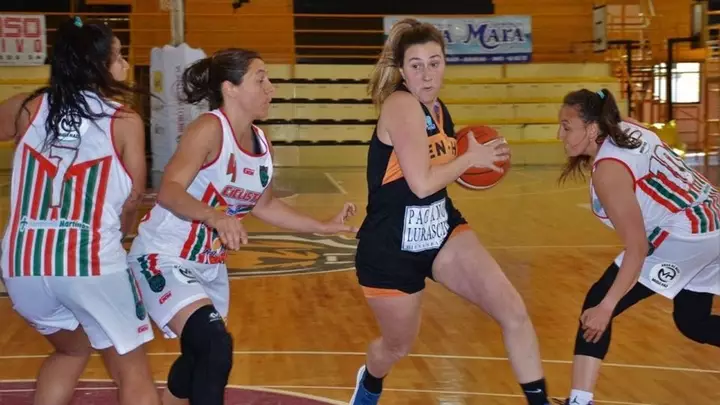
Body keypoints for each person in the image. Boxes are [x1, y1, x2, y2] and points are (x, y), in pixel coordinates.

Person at [126, 48, 358, 405]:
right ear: (230, 88)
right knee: (215, 347)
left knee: (199, 355)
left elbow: (265, 205)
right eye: (260, 79)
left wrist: (323, 226)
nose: (271, 88)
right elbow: (169, 190)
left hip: (209, 266)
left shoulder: (262, 143)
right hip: (164, 255)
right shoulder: (208, 129)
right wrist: (214, 215)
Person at [349, 18, 553, 405]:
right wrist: (470, 160)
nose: (427, 74)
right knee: (396, 347)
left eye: (435, 62)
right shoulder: (401, 105)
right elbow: (421, 184)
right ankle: (371, 382)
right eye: (416, 65)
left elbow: (441, 176)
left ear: (445, 63)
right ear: (401, 70)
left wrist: (482, 165)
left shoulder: (439, 110)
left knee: (513, 310)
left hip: (441, 231)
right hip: (391, 248)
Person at [0, 17, 159, 405]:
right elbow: (132, 200)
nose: (124, 64)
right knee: (133, 372)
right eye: (118, 56)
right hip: (88, 261)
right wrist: (120, 236)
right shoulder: (124, 120)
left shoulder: (26, 107)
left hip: (23, 265)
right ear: (97, 64)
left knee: (71, 350)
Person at [555, 88, 720, 405]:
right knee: (693, 322)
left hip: (691, 233)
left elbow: (638, 248)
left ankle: (580, 400)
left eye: (566, 126)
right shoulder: (625, 126)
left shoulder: (609, 172)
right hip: (712, 217)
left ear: (592, 128)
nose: (559, 135)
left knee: (598, 300)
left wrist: (607, 307)